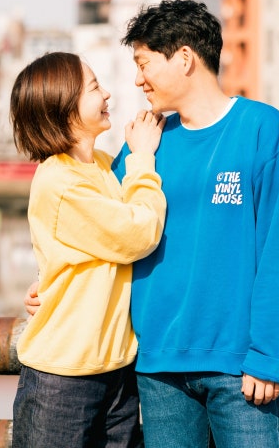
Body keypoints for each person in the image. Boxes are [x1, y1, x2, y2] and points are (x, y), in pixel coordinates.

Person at [25, 0, 279, 447]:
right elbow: (100, 228)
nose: (137, 80)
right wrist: (51, 281)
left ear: (183, 58)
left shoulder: (263, 129)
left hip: (240, 367)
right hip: (157, 370)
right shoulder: (146, 144)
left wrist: (268, 354)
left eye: (143, 64)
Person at [10, 51, 167, 448]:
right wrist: (142, 158)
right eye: (95, 87)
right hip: (63, 376)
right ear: (64, 108)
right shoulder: (59, 182)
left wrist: (48, 282)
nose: (107, 94)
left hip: (116, 369)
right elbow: (139, 233)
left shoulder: (101, 165)